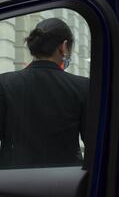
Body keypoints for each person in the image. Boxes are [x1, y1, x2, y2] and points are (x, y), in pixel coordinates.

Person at [0, 17, 89, 168]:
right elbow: (93, 141)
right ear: (64, 47)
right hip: (65, 182)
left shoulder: (4, 83)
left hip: (13, 182)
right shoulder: (83, 86)